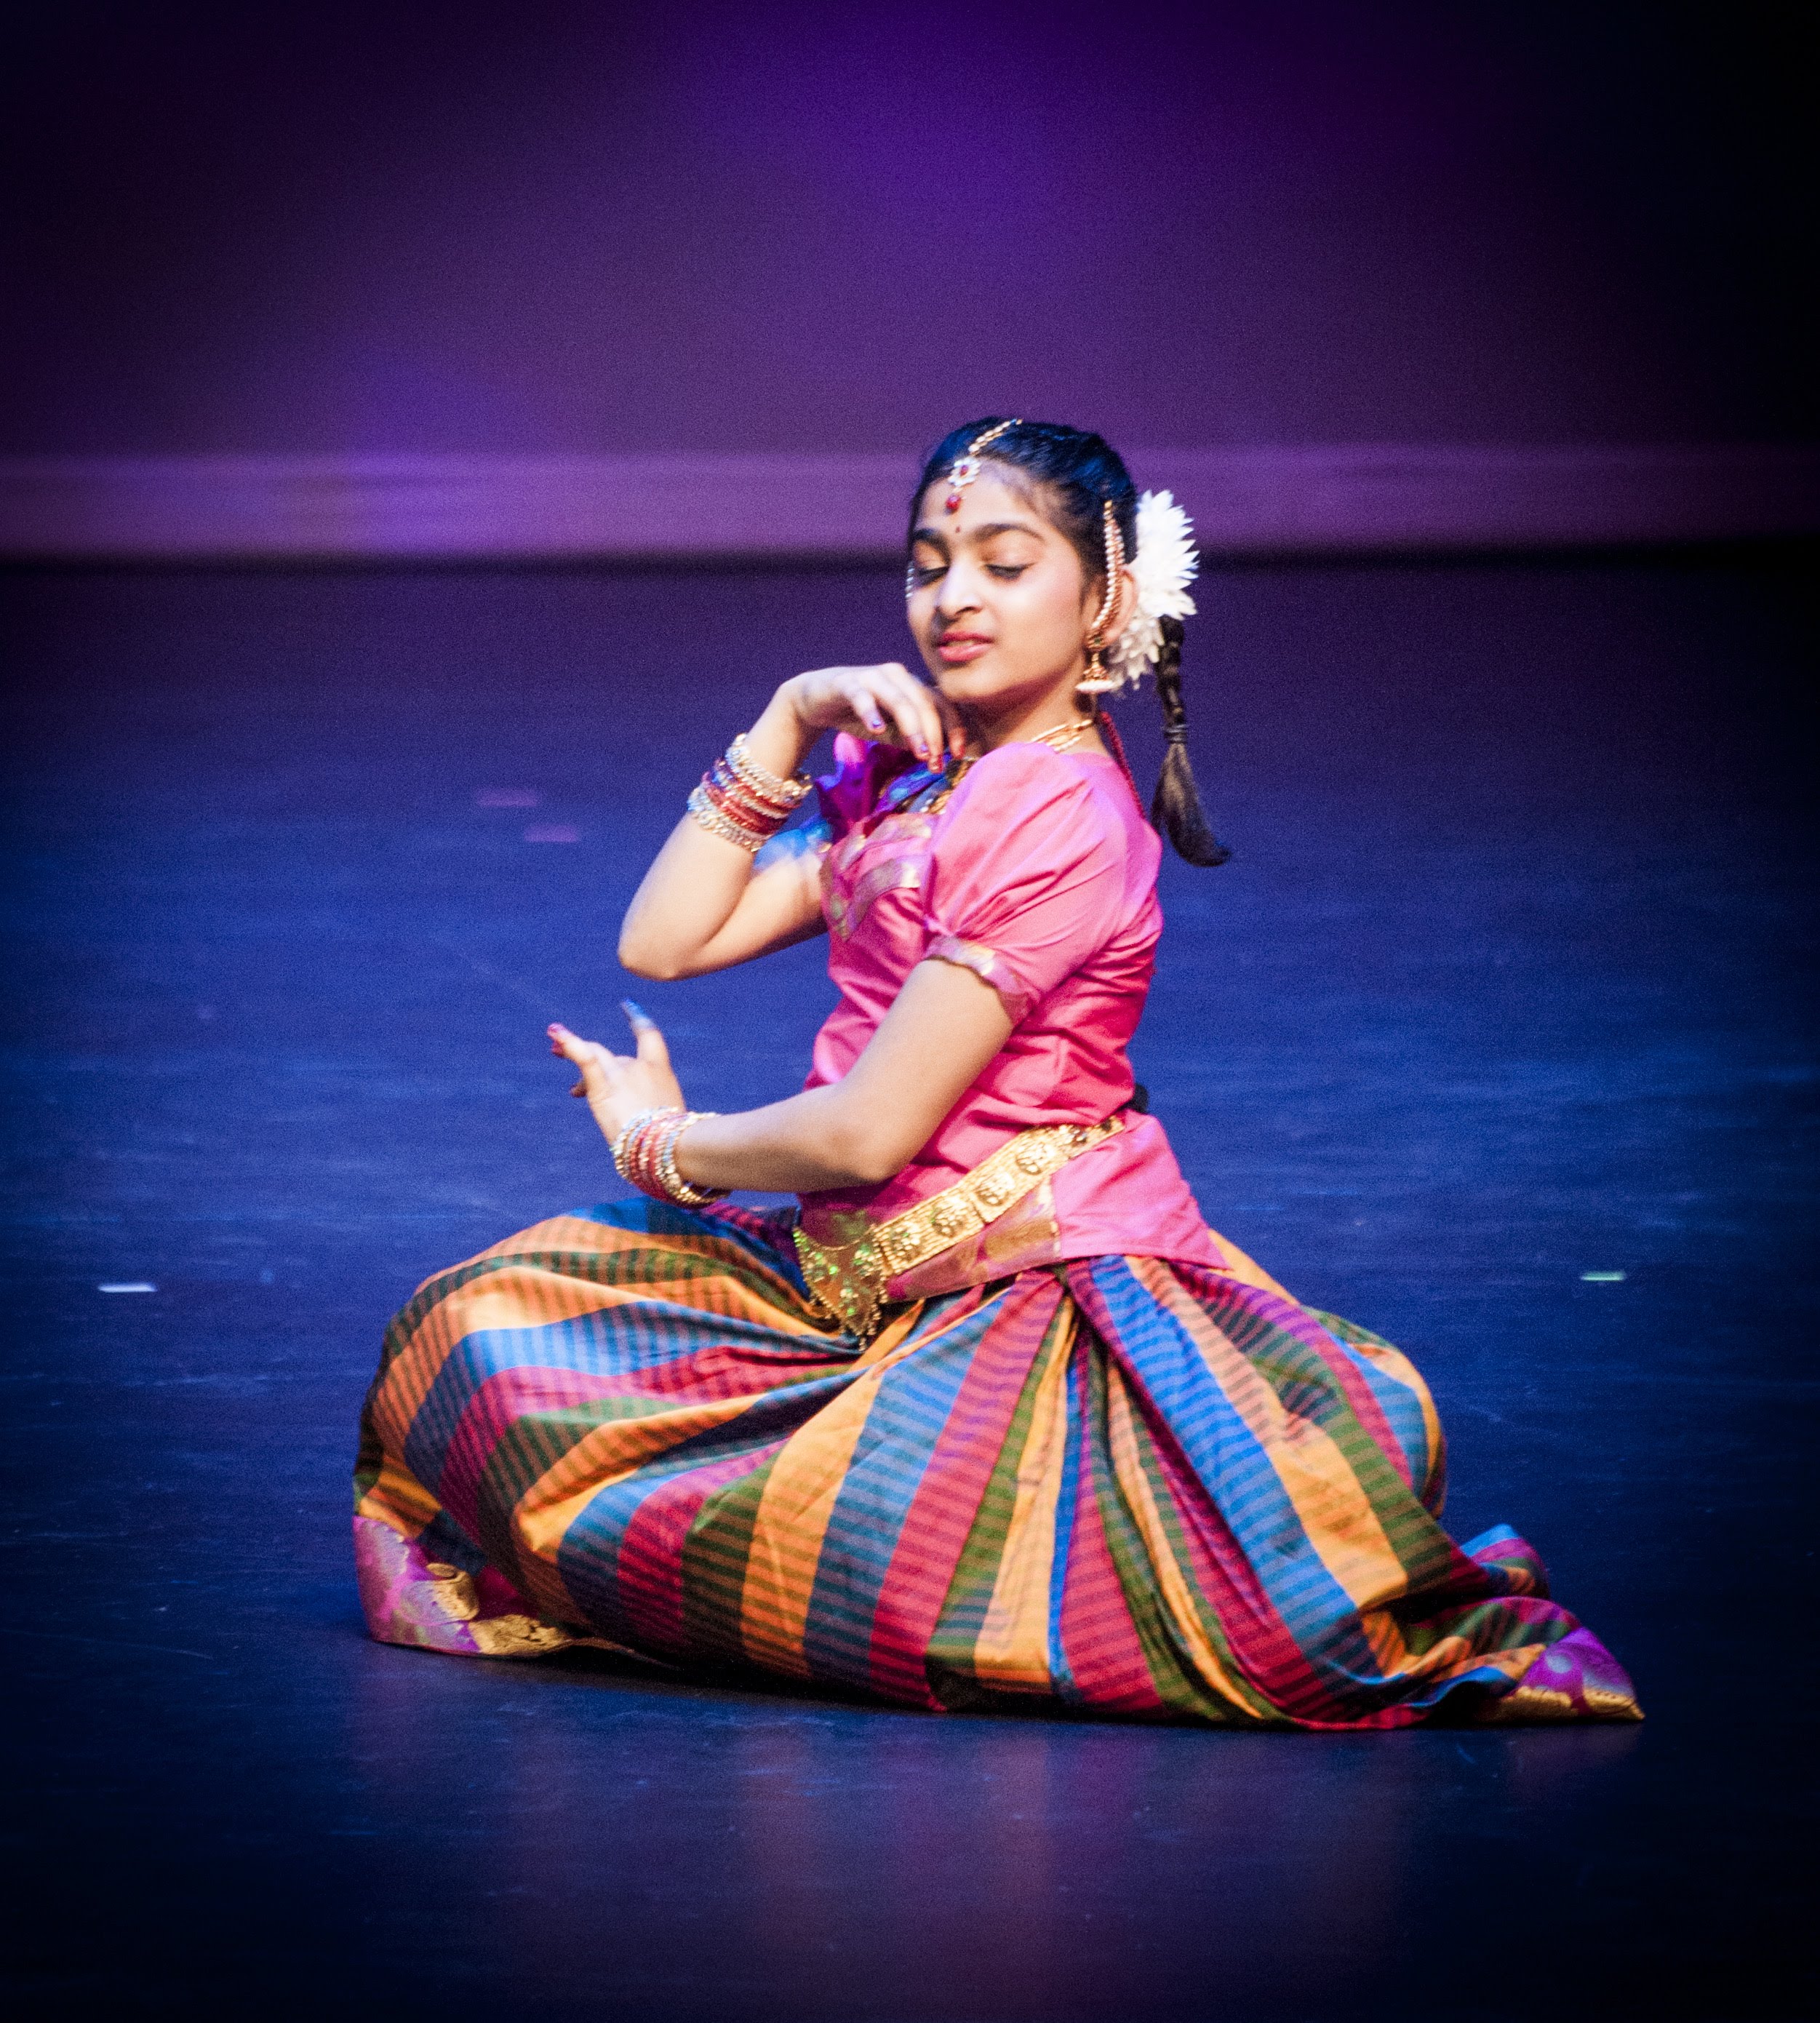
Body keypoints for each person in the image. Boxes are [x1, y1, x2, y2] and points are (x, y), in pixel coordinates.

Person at [353, 418, 1640, 1727]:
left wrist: (658, 1144)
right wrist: (786, 714)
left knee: (883, 1555)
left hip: (1016, 1296)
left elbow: (865, 1134)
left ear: (1105, 600)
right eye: (929, 564)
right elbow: (664, 941)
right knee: (474, 1335)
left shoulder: (1058, 811)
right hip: (841, 1277)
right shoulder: (923, 782)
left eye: (1004, 564)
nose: (953, 598)